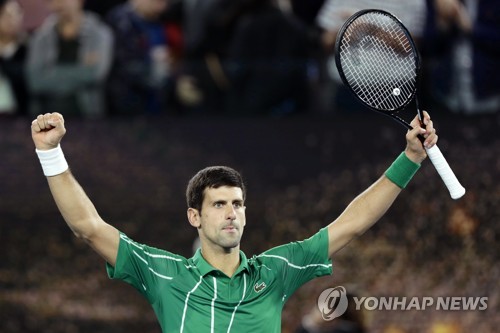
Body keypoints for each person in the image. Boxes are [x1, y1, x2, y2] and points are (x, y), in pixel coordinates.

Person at [30, 111, 437, 332]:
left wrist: (410, 160)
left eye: (238, 203)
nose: (231, 212)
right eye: (219, 204)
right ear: (194, 216)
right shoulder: (163, 274)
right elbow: (87, 226)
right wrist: (51, 154)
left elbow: (353, 223)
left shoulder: (278, 270)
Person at [26, 0, 113, 118]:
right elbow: (35, 81)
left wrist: (50, 74)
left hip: (87, 114)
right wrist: (80, 72)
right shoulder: (40, 37)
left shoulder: (99, 34)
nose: (59, 4)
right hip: (45, 116)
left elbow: (95, 74)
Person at [0, 0, 27, 116]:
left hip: (21, 113)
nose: (11, 20)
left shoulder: (29, 48)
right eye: (6, 15)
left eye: (17, 14)